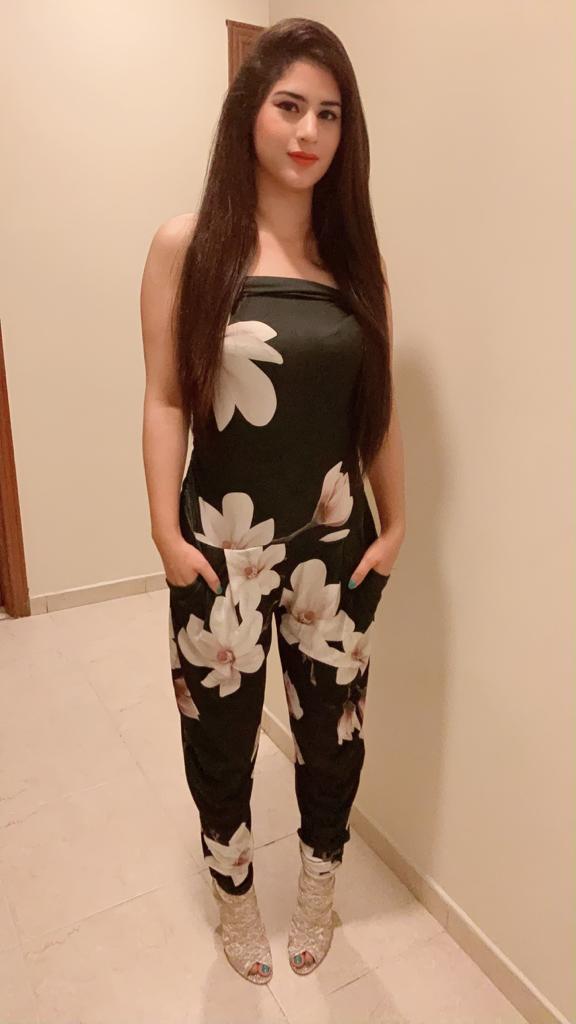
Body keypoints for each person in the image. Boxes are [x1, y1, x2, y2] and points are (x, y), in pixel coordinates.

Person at [140, 16, 406, 985]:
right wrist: (164, 531)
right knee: (220, 741)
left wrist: (398, 521)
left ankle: (321, 888)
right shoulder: (188, 247)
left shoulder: (354, 261)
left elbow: (377, 409)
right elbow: (165, 398)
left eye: (329, 113)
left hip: (335, 545)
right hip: (219, 542)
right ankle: (235, 899)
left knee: (334, 736)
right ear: (249, 111)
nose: (308, 131)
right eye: (290, 105)